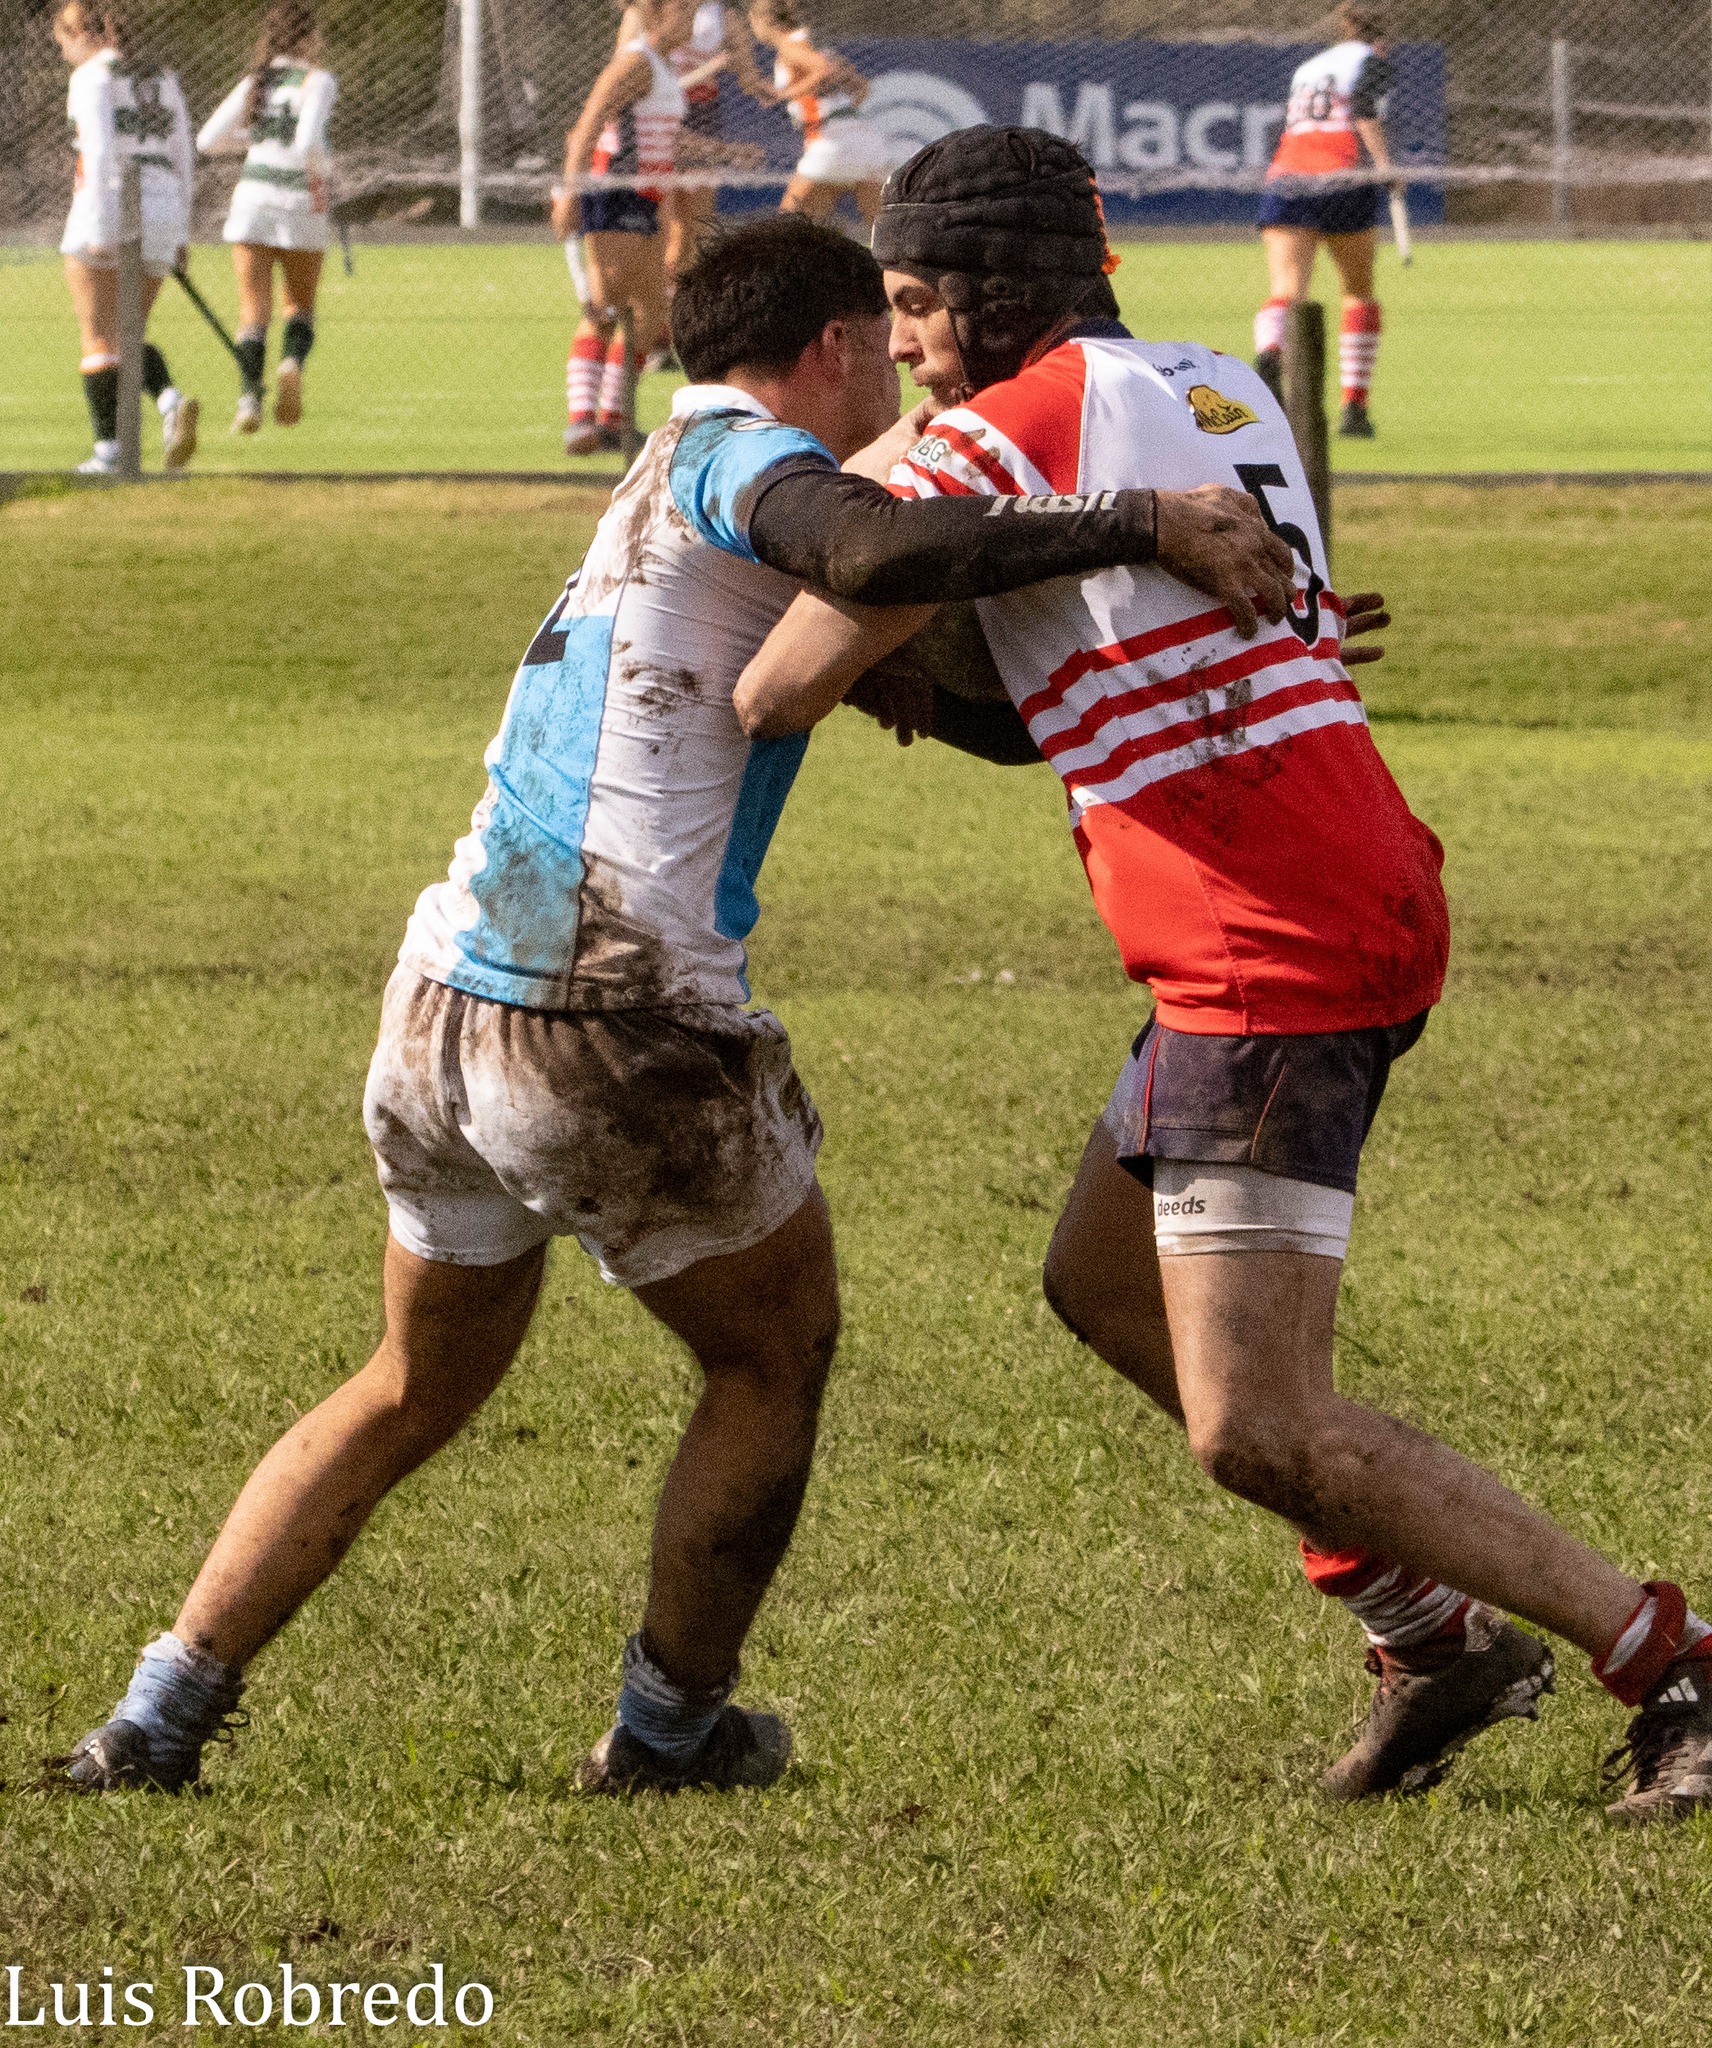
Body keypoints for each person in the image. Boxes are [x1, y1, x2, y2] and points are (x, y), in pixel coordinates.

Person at [61, 211, 1294, 1800]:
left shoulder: (662, 487)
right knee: (774, 1358)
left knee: (410, 1383)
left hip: (443, 1000)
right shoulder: (743, 462)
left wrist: (1249, 660)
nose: (907, 379)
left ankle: (154, 1719)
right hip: (607, 1016)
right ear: (833, 348)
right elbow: (868, 549)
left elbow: (936, 686)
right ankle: (668, 1730)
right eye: (889, 342)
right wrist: (1137, 519)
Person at [734, 126, 1712, 1826]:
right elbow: (1066, 683)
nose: (909, 343)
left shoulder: (1013, 425)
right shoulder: (1216, 382)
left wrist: (847, 612)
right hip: (1326, 881)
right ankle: (1430, 1638)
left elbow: (793, 658)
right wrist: (952, 669)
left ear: (982, 294)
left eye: (914, 306)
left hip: (1271, 938)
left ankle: (1685, 1661)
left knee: (1254, 1418)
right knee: (1102, 1280)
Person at [53, 0, 198, 475]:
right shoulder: (164, 77)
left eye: (64, 44)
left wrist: (98, 228)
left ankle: (109, 452)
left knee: (98, 335)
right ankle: (169, 399)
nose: (65, 55)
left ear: (80, 34)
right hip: (163, 207)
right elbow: (183, 158)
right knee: (129, 333)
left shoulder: (91, 78)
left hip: (108, 204)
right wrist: (180, 231)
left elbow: (97, 151)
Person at [552, 0, 693, 454]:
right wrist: (571, 195)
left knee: (653, 308)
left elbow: (664, 137)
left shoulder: (664, 67)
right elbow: (588, 124)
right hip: (614, 193)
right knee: (606, 302)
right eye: (684, 7)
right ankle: (581, 421)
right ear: (658, 12)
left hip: (647, 198)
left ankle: (614, 418)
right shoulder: (635, 61)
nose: (692, 18)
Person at [1255, 0, 1398, 439]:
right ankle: (1354, 407)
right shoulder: (1372, 60)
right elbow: (1364, 109)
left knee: (1287, 290)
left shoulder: (1309, 67)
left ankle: (1271, 355)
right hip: (1344, 176)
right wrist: (1385, 165)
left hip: (1288, 177)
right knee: (1357, 292)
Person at [197, 1, 337, 436]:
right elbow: (309, 140)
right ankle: (291, 362)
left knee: (251, 311)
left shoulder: (256, 80)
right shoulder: (318, 80)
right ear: (309, 37)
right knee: (299, 305)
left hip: (252, 198)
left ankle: (248, 401)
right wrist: (326, 171)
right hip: (299, 201)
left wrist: (255, 141)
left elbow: (207, 140)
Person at [662, 3, 775, 301]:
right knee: (670, 229)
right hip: (665, 113)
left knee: (697, 228)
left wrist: (767, 89)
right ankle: (659, 310)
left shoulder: (724, 15)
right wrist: (712, 66)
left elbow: (746, 70)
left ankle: (681, 306)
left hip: (703, 113)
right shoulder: (660, 8)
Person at [748, 0, 889, 225]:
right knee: (880, 233)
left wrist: (782, 94)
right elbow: (862, 87)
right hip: (864, 140)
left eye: (752, 22)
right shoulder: (813, 44)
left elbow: (823, 69)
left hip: (830, 142)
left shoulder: (789, 46)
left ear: (764, 21)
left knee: (786, 232)